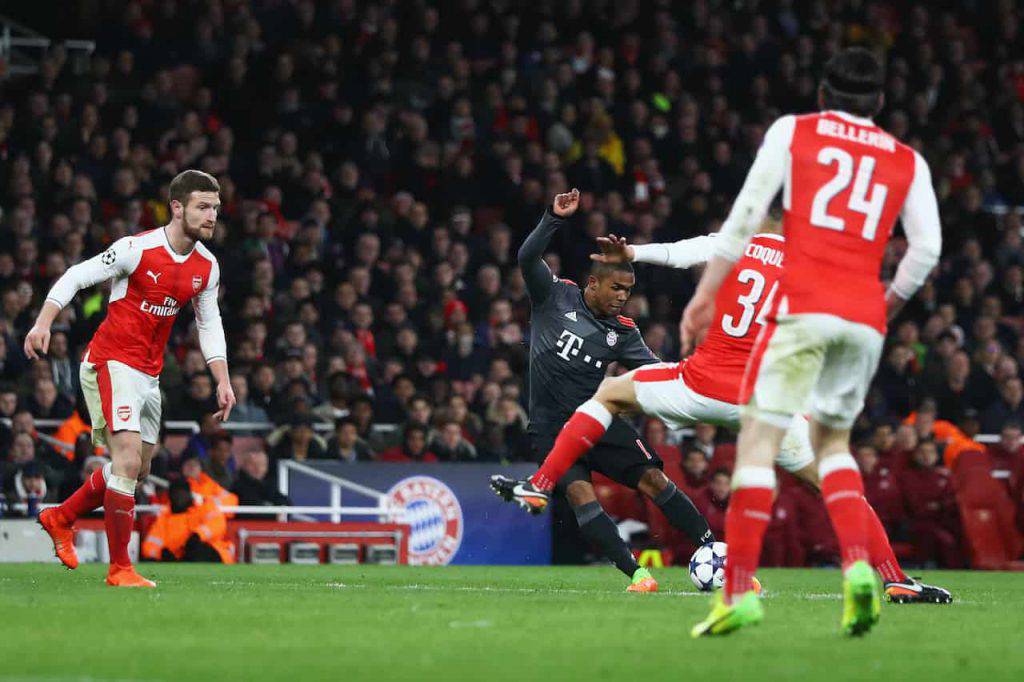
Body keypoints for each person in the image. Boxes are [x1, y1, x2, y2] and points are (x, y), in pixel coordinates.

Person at [681, 48, 942, 635]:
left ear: (823, 93)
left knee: (756, 444)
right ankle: (862, 572)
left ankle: (738, 593)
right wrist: (890, 302)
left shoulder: (793, 132)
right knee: (835, 450)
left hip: (804, 309)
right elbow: (925, 249)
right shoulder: (908, 160)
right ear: (878, 103)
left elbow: (749, 213)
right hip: (864, 317)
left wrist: (705, 295)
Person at [490, 190, 713, 593]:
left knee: (655, 482)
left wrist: (694, 377)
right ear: (593, 283)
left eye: (628, 292)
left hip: (598, 420)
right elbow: (526, 259)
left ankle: (713, 551)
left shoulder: (624, 332)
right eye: (616, 289)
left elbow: (653, 372)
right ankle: (638, 576)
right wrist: (552, 220)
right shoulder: (554, 296)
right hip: (551, 429)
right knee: (581, 496)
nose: (622, 298)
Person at [31, 169, 236, 587]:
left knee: (137, 471)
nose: (212, 215)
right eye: (202, 206)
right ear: (177, 208)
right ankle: (120, 569)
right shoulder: (135, 249)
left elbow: (209, 322)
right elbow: (76, 275)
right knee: (123, 464)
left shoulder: (206, 266)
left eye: (215, 207)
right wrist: (43, 322)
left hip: (149, 373)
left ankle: (60, 516)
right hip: (111, 361)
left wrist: (223, 379)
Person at [141, 479, 234, 563]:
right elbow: (150, 546)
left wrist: (197, 536)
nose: (179, 497)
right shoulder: (163, 519)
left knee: (200, 551)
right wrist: (161, 554)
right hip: (179, 559)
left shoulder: (203, 507)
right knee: (148, 561)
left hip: (211, 552)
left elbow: (218, 523)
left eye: (183, 493)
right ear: (170, 496)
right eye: (175, 494)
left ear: (189, 494)